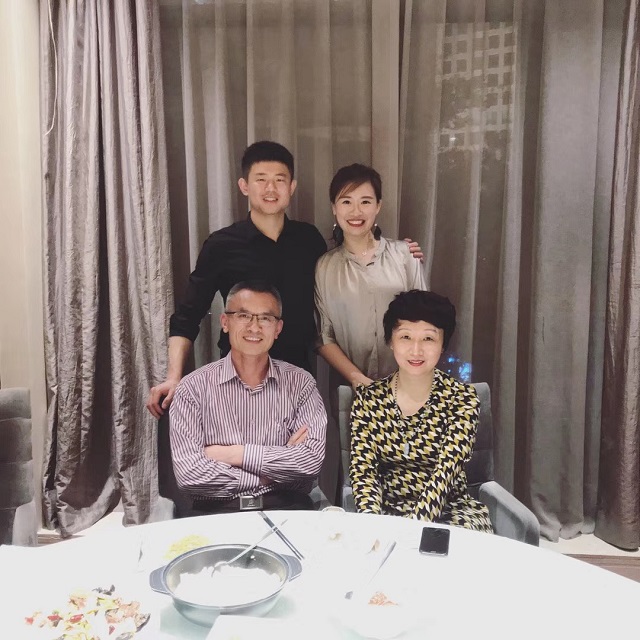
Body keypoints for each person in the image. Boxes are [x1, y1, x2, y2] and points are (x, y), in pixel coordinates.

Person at [147, 141, 327, 418]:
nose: (270, 188)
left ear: (291, 187)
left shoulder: (309, 240)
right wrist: (173, 377)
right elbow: (187, 315)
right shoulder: (222, 245)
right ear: (244, 186)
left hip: (297, 375)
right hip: (238, 375)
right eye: (261, 179)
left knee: (298, 444)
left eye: (279, 180)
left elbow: (334, 290)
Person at [169, 280, 327, 514]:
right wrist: (272, 475)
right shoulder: (192, 388)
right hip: (217, 512)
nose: (254, 327)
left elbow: (310, 462)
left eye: (265, 318)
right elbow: (190, 475)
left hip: (288, 508)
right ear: (225, 322)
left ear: (278, 328)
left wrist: (233, 454)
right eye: (243, 316)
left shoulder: (301, 384)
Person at [349, 289, 492, 532]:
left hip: (450, 510)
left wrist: (413, 530)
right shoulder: (368, 400)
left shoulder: (462, 399)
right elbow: (364, 475)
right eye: (405, 337)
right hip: (387, 511)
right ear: (391, 341)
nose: (416, 350)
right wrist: (373, 526)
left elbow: (445, 474)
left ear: (442, 344)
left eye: (428, 339)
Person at [315, 164, 428, 388]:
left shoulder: (404, 255)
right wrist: (358, 380)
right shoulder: (325, 267)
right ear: (334, 208)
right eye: (346, 202)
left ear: (378, 206)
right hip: (352, 390)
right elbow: (324, 336)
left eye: (365, 202)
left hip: (408, 385)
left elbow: (425, 320)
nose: (356, 211)